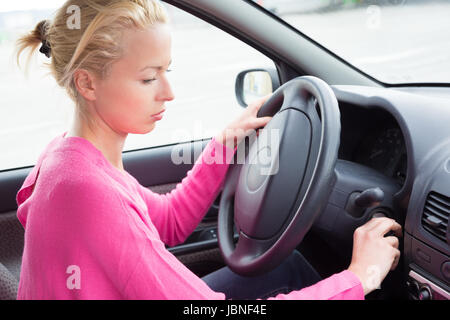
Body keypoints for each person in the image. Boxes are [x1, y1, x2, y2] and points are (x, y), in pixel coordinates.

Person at [15, 0, 402, 300]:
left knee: (288, 269)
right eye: (149, 77)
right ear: (87, 83)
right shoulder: (87, 192)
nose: (168, 92)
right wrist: (358, 278)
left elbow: (167, 223)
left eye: (168, 70)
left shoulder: (68, 158)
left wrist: (221, 147)